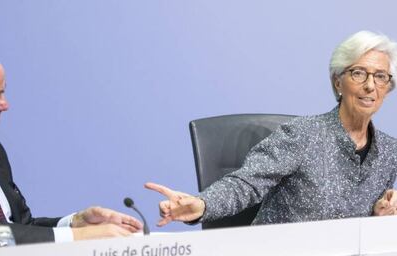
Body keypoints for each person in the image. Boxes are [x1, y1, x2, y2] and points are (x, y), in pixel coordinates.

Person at [146, 30, 397, 227]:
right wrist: (202, 205)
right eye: (358, 73)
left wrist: (379, 220)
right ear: (337, 81)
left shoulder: (389, 152)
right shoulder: (302, 134)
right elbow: (246, 183)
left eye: (380, 76)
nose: (370, 86)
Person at [0, 52, 142, 245]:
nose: (5, 105)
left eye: (3, 92)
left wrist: (74, 224)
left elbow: (19, 228)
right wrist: (77, 237)